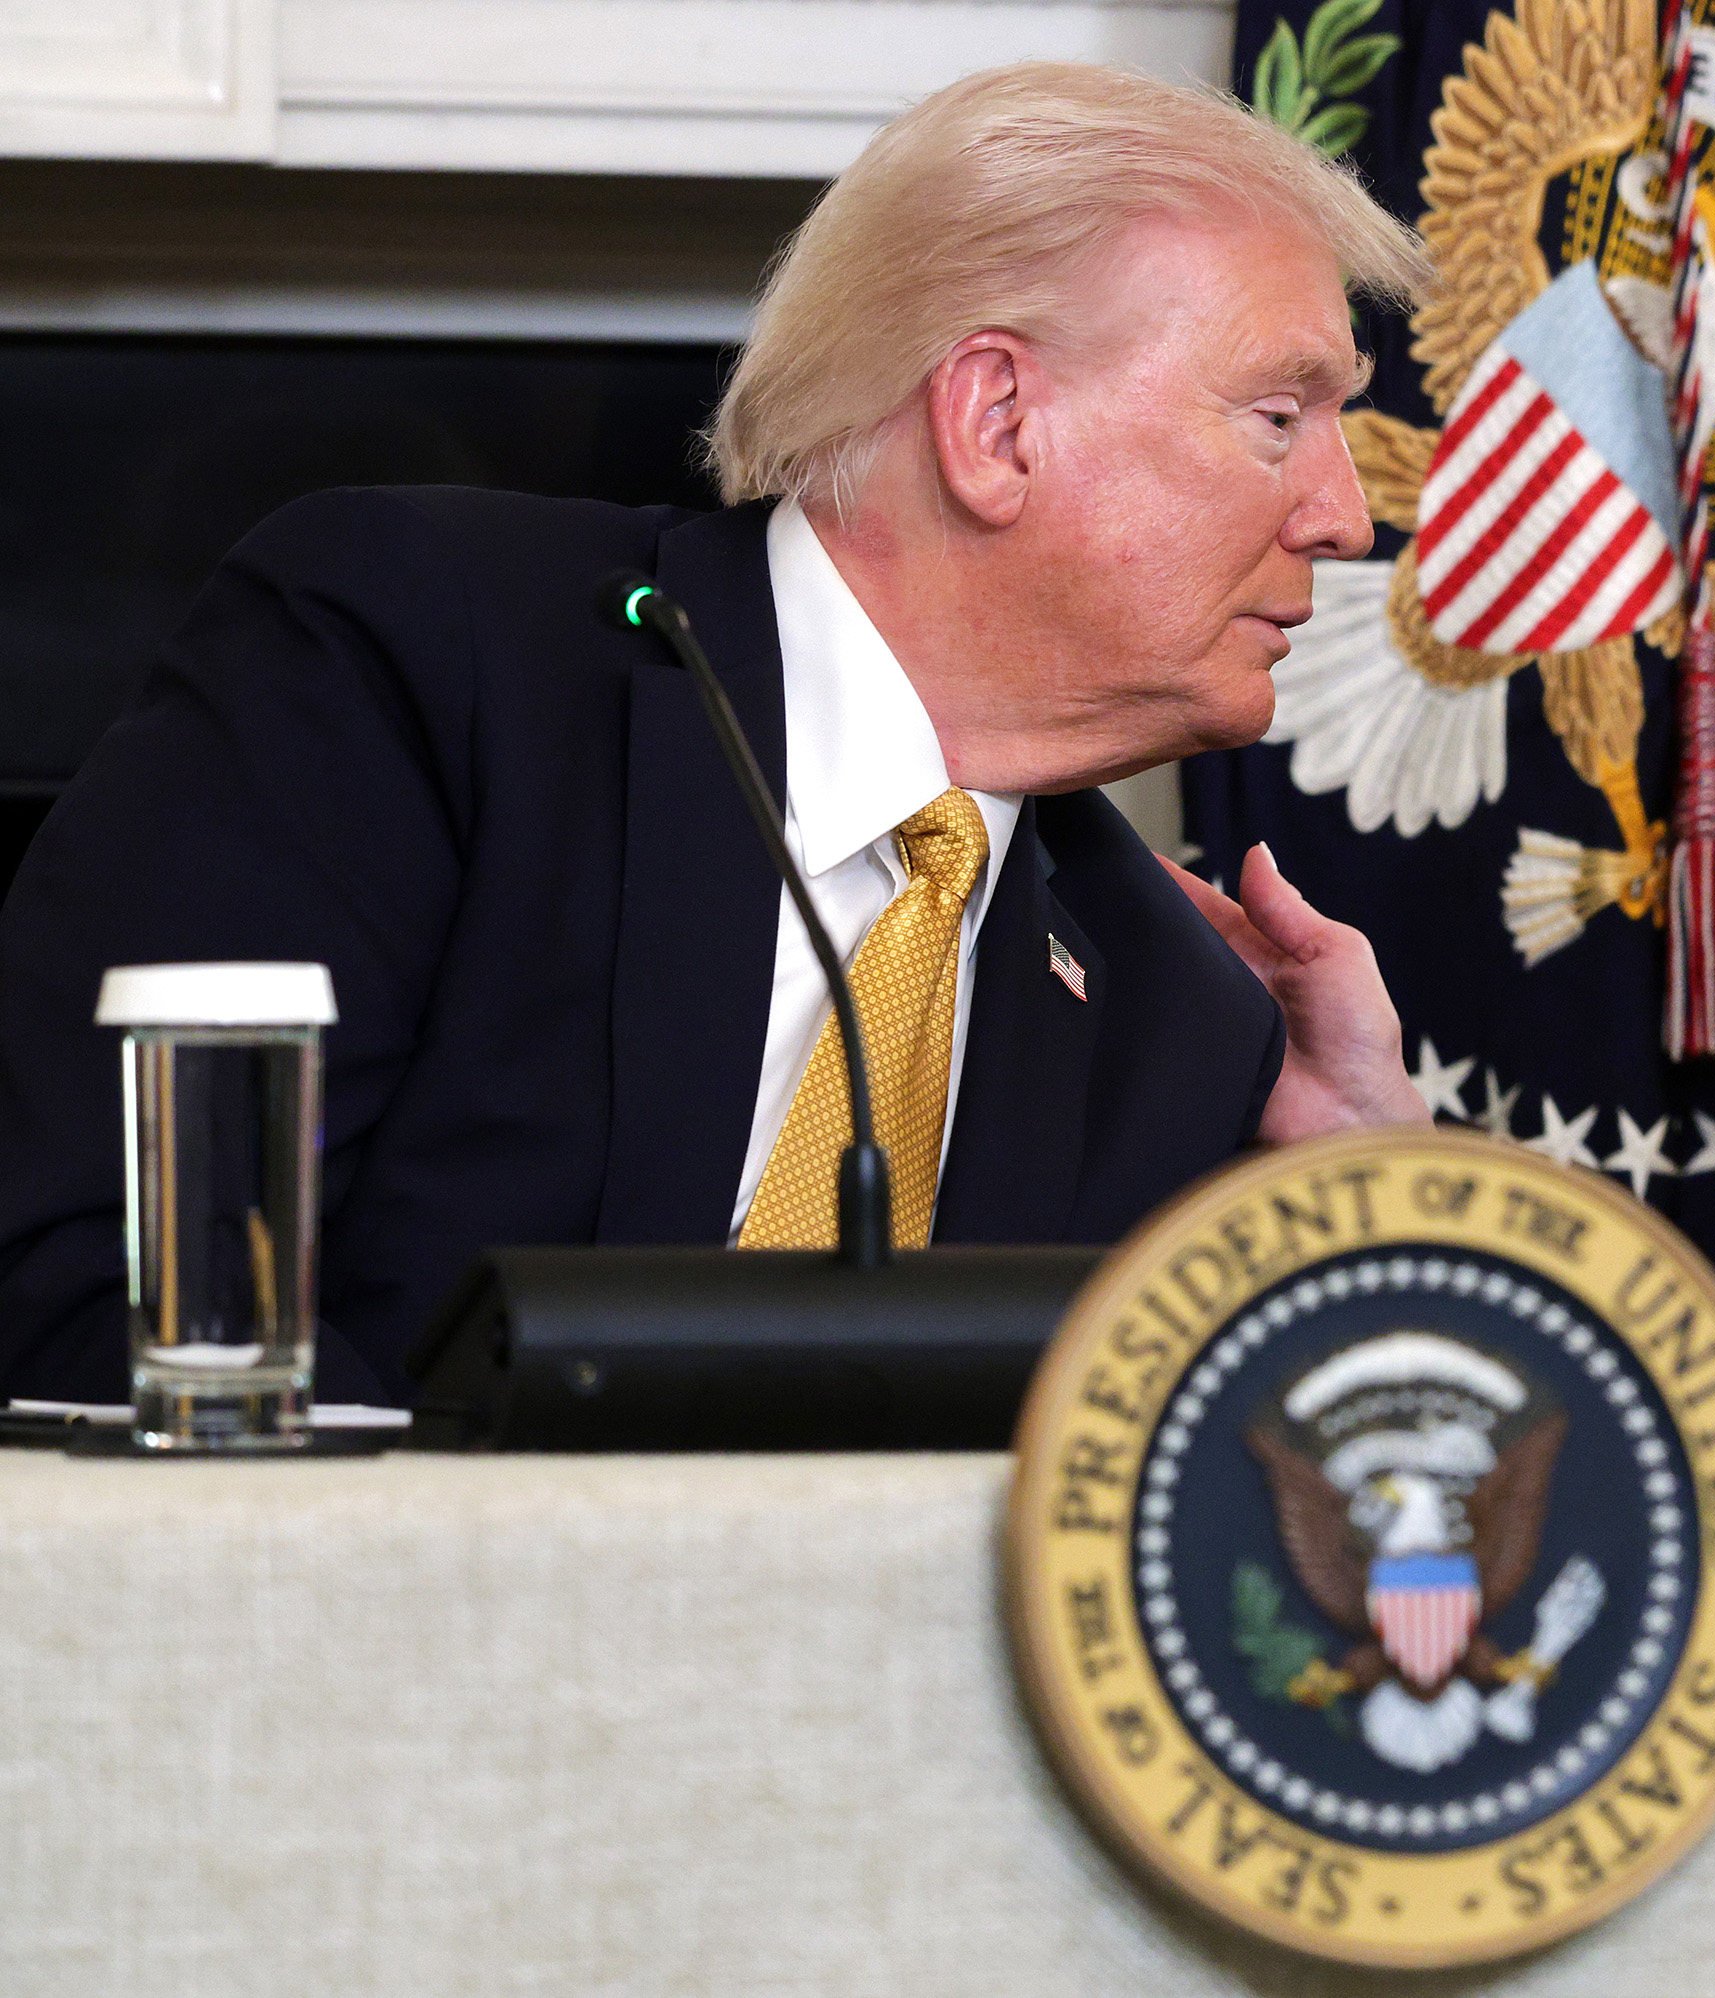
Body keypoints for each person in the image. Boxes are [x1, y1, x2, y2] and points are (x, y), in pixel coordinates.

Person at [0, 64, 1435, 1405]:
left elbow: (1281, 1541)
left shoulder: (1177, 1016)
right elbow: (89, 1313)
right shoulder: (419, 658)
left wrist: (1370, 1179)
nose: (1348, 516)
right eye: (1277, 414)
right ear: (997, 420)